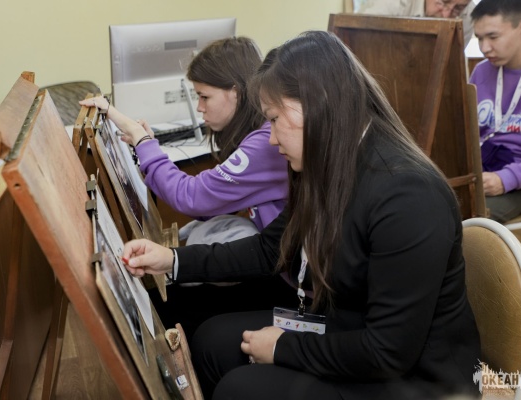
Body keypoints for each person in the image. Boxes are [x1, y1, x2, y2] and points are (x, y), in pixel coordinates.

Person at [121, 30, 481, 399]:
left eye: (274, 119)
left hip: (419, 380)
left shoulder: (409, 196)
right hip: (348, 328)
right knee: (212, 342)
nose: (271, 138)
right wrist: (172, 260)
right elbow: (270, 249)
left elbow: (388, 351)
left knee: (239, 389)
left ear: (316, 104)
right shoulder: (329, 163)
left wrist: (284, 347)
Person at [80, 36, 297, 336]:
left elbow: (192, 197)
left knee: (170, 311)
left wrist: (144, 142)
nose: (199, 107)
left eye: (205, 97)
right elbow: (211, 204)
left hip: (285, 281)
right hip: (275, 265)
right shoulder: (259, 135)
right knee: (168, 301)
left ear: (236, 91)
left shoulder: (265, 144)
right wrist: (147, 147)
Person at [469, 0, 521, 223]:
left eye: (493, 37)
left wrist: (506, 179)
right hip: (482, 169)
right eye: (479, 38)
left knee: (465, 214)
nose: (484, 48)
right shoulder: (481, 72)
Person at [354, 0, 476, 47]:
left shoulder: (469, 15)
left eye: (458, 9)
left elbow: (452, 60)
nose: (446, 15)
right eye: (443, 2)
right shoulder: (390, 4)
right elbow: (358, 39)